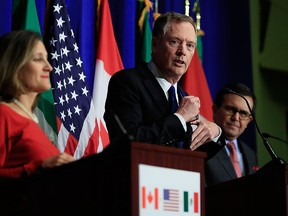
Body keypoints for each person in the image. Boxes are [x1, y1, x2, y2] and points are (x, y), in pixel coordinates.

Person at [104, 12, 221, 151]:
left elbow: (191, 153)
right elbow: (129, 142)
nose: (182, 51)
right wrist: (179, 118)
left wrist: (216, 132)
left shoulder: (183, 96)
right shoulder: (127, 82)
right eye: (175, 42)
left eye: (189, 45)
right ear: (154, 45)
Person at [0, 30, 75, 178]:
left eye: (47, 59)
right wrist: (38, 168)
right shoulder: (4, 115)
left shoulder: (34, 121)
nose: (49, 67)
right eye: (38, 59)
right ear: (14, 65)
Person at [205, 82, 258, 186]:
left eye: (243, 113)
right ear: (215, 111)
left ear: (249, 120)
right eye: (230, 109)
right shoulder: (202, 146)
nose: (236, 118)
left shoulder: (251, 154)